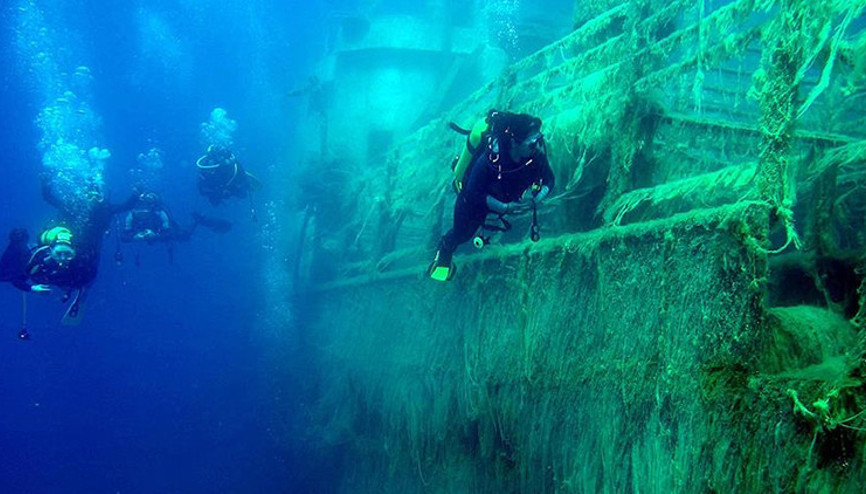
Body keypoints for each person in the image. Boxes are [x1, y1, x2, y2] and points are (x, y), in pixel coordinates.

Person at [428, 110, 555, 281]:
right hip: (474, 203)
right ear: (514, 142)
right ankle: (444, 251)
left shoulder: (535, 156)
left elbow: (549, 179)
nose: (538, 146)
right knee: (462, 234)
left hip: (504, 198)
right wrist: (504, 207)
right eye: (532, 143)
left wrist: (536, 199)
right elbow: (473, 192)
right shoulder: (491, 159)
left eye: (539, 140)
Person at [196, 145, 261, 206]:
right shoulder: (208, 168)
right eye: (219, 157)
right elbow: (203, 189)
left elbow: (241, 174)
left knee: (243, 194)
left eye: (222, 157)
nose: (221, 159)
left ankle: (247, 187)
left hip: (231, 183)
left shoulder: (234, 165)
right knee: (215, 202)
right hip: (219, 187)